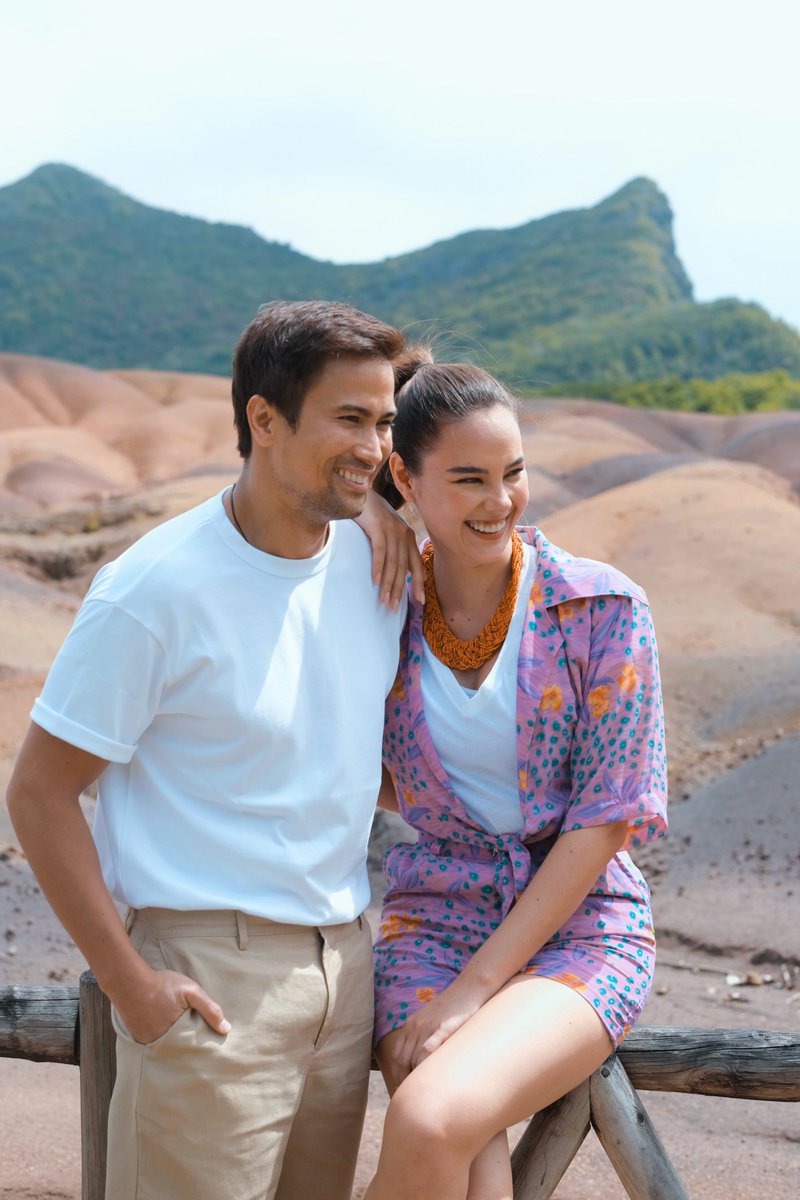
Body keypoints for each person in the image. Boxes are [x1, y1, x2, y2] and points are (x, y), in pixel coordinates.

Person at [7, 300, 424, 1200]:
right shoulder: (154, 589)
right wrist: (134, 990)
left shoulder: (373, 561)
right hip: (207, 976)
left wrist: (385, 509)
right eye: (349, 419)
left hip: (345, 972)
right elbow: (39, 793)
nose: (372, 444)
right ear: (262, 420)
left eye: (384, 421)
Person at [366, 356, 668, 1200]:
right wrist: (363, 512)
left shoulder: (602, 610)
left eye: (513, 473)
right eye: (467, 479)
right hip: (431, 920)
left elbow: (605, 821)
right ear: (404, 475)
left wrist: (473, 992)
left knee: (429, 1121)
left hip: (580, 926)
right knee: (472, 1170)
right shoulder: (375, 610)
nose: (499, 501)